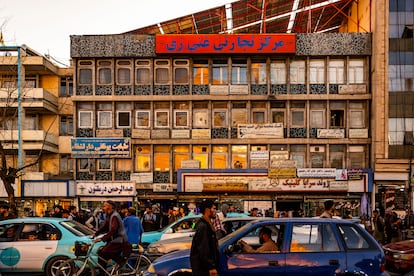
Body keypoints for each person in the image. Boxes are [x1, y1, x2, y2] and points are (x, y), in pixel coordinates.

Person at [92, 200, 131, 270]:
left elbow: (113, 229)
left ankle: (121, 261)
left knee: (105, 251)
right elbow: (105, 226)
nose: (103, 208)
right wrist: (96, 233)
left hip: (119, 240)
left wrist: (102, 238)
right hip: (114, 240)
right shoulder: (109, 215)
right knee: (100, 252)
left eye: (104, 206)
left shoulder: (115, 216)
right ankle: (103, 272)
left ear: (110, 207)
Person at [190, 200, 219, 276]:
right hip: (203, 270)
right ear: (207, 210)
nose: (215, 211)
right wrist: (211, 267)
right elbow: (204, 249)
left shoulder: (207, 224)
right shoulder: (203, 226)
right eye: (214, 208)